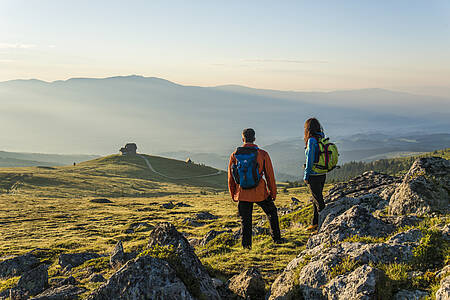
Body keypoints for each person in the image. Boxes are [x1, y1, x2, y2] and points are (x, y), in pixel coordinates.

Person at [228, 128, 283, 249]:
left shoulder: (235, 155)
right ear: (254, 138)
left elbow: (231, 177)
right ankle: (277, 239)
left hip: (242, 193)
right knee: (271, 212)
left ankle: (246, 247)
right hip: (260, 192)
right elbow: (270, 176)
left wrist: (234, 194)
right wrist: (273, 193)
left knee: (245, 221)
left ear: (243, 138)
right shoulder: (262, 154)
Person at [303, 118, 326, 232]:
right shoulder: (321, 137)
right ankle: (315, 223)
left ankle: (323, 224)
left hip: (314, 174)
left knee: (319, 201)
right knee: (316, 198)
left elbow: (310, 159)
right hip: (322, 173)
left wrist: (306, 175)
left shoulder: (311, 140)